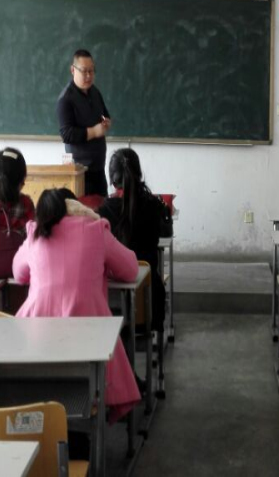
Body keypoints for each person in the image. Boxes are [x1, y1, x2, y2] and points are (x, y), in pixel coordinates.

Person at [12, 188, 140, 423]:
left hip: (35, 344)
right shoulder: (95, 230)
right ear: (77, 207)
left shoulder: (36, 232)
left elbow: (18, 274)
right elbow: (131, 270)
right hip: (89, 343)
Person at [98, 148, 167, 333]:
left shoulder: (103, 212)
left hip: (113, 308)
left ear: (112, 180)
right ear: (139, 174)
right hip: (149, 301)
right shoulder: (154, 206)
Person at [57, 49, 112, 197]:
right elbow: (66, 134)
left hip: (99, 169)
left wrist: (106, 122)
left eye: (91, 71)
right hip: (80, 172)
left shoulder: (95, 92)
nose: (88, 76)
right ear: (73, 70)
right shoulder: (66, 99)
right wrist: (94, 132)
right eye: (84, 71)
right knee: (84, 210)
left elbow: (104, 114)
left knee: (102, 208)